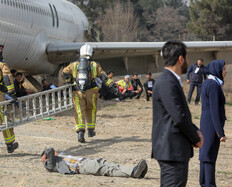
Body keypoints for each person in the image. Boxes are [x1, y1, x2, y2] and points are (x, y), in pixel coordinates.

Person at [152, 41, 203, 187]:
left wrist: (195, 130)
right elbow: (179, 117)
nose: (188, 61)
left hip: (173, 150)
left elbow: (178, 114)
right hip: (171, 150)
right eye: (187, 57)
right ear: (181, 59)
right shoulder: (167, 82)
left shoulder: (170, 80)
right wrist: (195, 137)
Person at [62, 44, 116, 143]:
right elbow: (103, 76)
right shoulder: (95, 65)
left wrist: (69, 81)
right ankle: (90, 130)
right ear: (91, 53)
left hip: (77, 91)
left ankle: (80, 133)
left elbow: (64, 72)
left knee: (79, 110)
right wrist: (111, 84)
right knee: (91, 109)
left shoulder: (73, 65)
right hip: (92, 91)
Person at [199, 60, 227, 187]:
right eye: (224, 68)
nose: (225, 71)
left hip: (206, 122)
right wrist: (220, 132)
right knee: (209, 155)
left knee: (205, 155)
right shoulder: (213, 85)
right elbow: (214, 110)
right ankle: (209, 184)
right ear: (217, 69)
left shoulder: (208, 83)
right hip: (211, 123)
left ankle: (204, 182)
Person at [41, 147, 148, 178]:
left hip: (85, 161)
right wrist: (45, 156)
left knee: (111, 165)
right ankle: (133, 173)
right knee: (107, 170)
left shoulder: (60, 156)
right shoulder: (50, 165)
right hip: (82, 166)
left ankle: (136, 171)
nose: (56, 152)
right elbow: (50, 149)